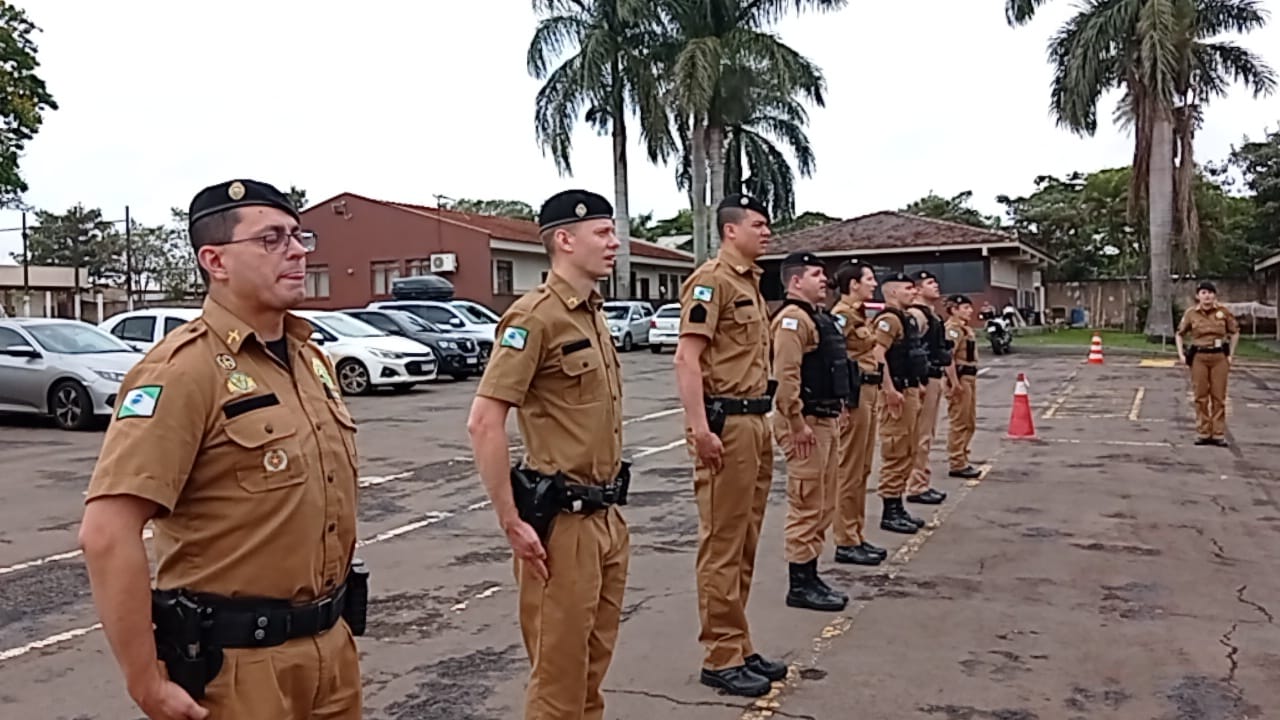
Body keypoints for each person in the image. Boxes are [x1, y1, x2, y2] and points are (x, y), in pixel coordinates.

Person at [78, 179, 365, 720]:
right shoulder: (182, 371)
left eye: (299, 237)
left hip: (330, 651)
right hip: (237, 673)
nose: (298, 251)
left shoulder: (311, 362)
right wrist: (146, 681)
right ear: (216, 260)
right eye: (272, 239)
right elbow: (107, 532)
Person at [466, 189, 630, 720]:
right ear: (565, 239)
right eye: (602, 233)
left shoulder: (591, 314)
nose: (614, 243)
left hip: (605, 515)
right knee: (558, 681)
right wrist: (510, 520)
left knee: (591, 671)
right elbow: (485, 421)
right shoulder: (534, 317)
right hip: (561, 525)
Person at [674, 192, 785, 698]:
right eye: (758, 225)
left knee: (745, 539)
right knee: (722, 543)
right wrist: (700, 429)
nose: (766, 232)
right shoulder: (710, 282)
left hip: (755, 421)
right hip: (726, 425)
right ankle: (720, 655)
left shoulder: (751, 284)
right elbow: (687, 359)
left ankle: (738, 642)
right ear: (730, 230)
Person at [769, 251, 855, 612]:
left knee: (823, 501)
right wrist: (796, 422)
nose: (825, 280)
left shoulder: (817, 318)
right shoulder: (792, 320)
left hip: (824, 418)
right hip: (804, 423)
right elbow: (786, 377)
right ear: (795, 281)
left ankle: (812, 573)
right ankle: (800, 584)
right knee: (806, 503)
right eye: (816, 274)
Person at [830, 261, 889, 567]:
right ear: (853, 284)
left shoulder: (858, 314)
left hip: (868, 390)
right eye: (868, 279)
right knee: (849, 468)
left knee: (863, 467)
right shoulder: (842, 315)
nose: (873, 284)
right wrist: (840, 401)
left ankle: (856, 532)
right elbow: (835, 357)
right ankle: (845, 539)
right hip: (854, 394)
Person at [873, 273, 931, 535]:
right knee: (895, 450)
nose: (913, 292)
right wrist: (889, 390)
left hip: (907, 388)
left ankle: (898, 505)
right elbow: (878, 355)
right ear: (893, 293)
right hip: (895, 392)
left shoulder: (906, 319)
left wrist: (916, 385)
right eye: (908, 289)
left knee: (908, 449)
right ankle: (890, 509)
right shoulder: (889, 320)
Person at [1175, 280, 1241, 447]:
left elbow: (1234, 332)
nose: (1207, 296)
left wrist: (1231, 355)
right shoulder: (1191, 314)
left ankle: (1218, 433)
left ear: (1215, 295)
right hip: (1199, 357)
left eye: (1210, 293)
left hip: (1219, 357)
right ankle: (1203, 432)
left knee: (1219, 396)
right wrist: (1181, 354)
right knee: (1200, 396)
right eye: (1203, 293)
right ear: (1198, 296)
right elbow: (1179, 333)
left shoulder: (1223, 312)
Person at [904, 270, 950, 506]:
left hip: (934, 376)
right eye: (930, 283)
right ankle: (916, 484)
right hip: (925, 379)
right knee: (921, 435)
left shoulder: (930, 315)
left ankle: (921, 480)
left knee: (927, 434)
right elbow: (912, 351)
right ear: (918, 289)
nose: (937, 285)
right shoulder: (917, 315)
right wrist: (919, 381)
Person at [943, 295, 982, 478]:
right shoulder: (953, 330)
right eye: (965, 307)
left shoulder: (964, 328)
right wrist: (954, 382)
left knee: (969, 421)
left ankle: (963, 457)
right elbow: (947, 357)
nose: (969, 311)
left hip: (968, 377)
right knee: (959, 421)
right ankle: (957, 461)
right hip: (960, 377)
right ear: (954, 309)